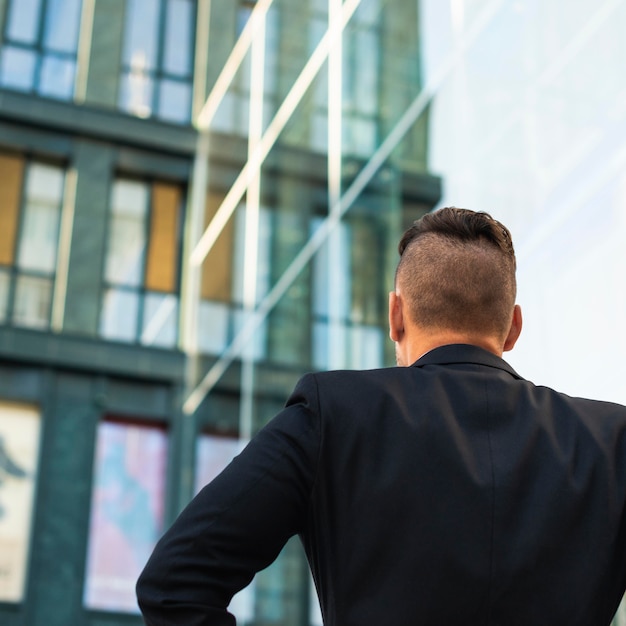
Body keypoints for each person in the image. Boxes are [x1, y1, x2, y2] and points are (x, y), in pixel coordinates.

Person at [136, 207, 626, 625]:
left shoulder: (335, 414)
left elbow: (175, 581)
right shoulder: (612, 443)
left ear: (395, 315)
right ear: (513, 326)